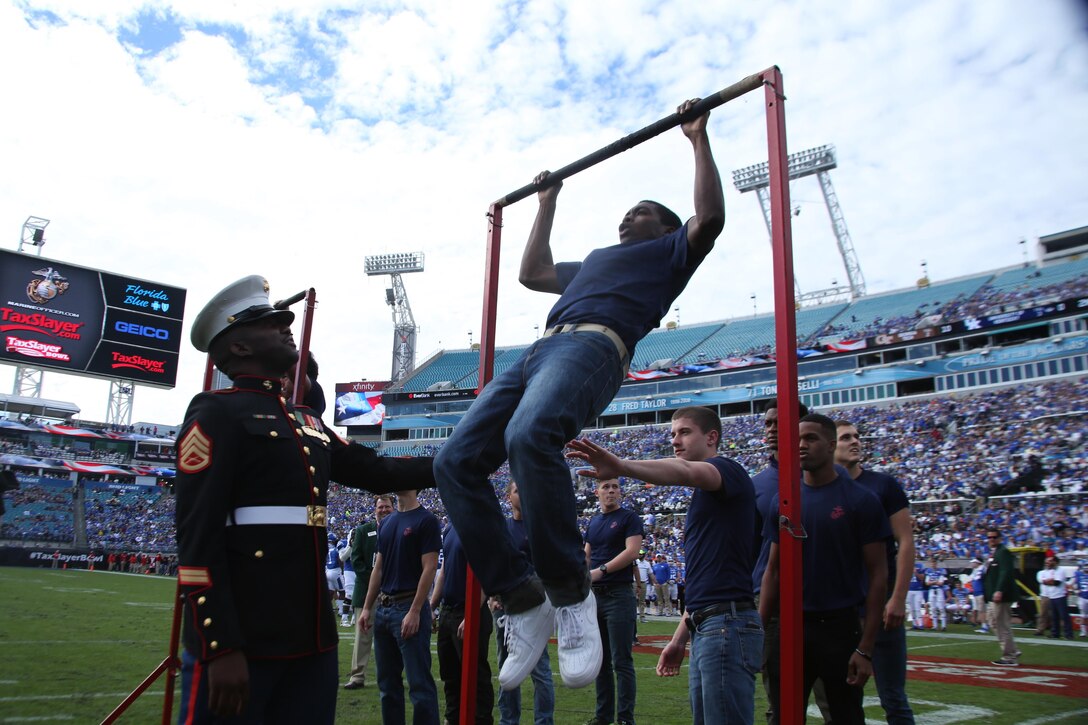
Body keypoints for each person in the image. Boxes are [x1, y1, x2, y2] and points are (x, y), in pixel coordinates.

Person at [434, 98, 725, 692]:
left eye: (639, 211)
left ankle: (571, 595)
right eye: (624, 212)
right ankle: (520, 598)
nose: (627, 217)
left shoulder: (669, 254)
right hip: (541, 349)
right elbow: (531, 273)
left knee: (528, 436)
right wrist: (547, 203)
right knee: (453, 462)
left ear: (664, 228)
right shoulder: (596, 259)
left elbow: (710, 219)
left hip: (593, 346)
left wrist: (697, 139)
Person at [174, 275, 434, 723]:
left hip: (311, 637)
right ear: (238, 348)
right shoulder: (216, 412)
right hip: (247, 636)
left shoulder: (306, 423)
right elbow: (197, 540)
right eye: (270, 322)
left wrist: (470, 455)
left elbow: (380, 472)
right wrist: (220, 647)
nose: (286, 324)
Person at [568, 405, 760, 725]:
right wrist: (679, 637)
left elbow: (684, 471)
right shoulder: (706, 497)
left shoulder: (728, 469)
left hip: (727, 623)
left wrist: (621, 465)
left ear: (712, 437)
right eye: (672, 434)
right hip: (706, 622)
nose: (675, 440)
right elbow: (705, 579)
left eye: (684, 432)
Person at [759, 413, 889, 725]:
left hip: (839, 628)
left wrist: (866, 648)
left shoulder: (861, 500)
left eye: (811, 438)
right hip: (788, 626)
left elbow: (878, 575)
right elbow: (772, 570)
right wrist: (760, 632)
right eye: (797, 439)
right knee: (783, 716)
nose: (801, 445)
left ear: (830, 445)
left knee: (845, 716)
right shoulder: (784, 501)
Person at [834, 419, 916, 724]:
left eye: (856, 436)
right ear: (831, 445)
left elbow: (906, 542)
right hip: (842, 607)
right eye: (846, 437)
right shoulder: (822, 489)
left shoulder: (883, 484)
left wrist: (898, 598)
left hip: (880, 604)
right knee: (842, 699)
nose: (855, 441)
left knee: (893, 696)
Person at [361, 488, 441, 724]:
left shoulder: (426, 520)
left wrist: (416, 610)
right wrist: (367, 607)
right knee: (387, 686)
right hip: (385, 608)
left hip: (408, 606)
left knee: (419, 685)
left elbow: (430, 567)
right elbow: (379, 568)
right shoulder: (386, 523)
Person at [751, 399, 807, 725]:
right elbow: (748, 550)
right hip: (769, 600)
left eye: (780, 422)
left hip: (825, 601)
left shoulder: (826, 478)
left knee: (838, 701)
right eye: (768, 423)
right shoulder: (755, 486)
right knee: (780, 703)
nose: (772, 429)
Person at [492, 481, 555, 725]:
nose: (523, 494)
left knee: (540, 669)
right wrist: (493, 596)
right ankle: (509, 720)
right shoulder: (503, 528)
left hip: (535, 606)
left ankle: (544, 721)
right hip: (505, 607)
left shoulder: (539, 527)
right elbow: (496, 566)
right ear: (509, 497)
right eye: (518, 490)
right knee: (507, 666)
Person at [583, 477, 643, 725]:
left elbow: (631, 552)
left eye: (615, 486)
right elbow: (586, 555)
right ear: (597, 492)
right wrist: (580, 575)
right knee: (601, 661)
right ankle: (603, 716)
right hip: (595, 596)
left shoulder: (630, 518)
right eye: (606, 486)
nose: (610, 490)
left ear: (620, 492)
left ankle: (625, 718)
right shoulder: (594, 522)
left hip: (618, 594)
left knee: (621, 660)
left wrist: (600, 571)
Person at [431, 522, 495, 725]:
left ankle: (481, 720)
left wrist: (471, 615)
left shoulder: (480, 526)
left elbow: (488, 574)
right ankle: (452, 718)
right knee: (449, 674)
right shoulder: (450, 528)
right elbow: (444, 571)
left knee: (476, 675)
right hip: (449, 612)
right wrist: (431, 606)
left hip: (468, 612)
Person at [345, 494, 395, 690]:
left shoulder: (398, 529)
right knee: (363, 635)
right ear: (375, 509)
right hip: (367, 592)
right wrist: (376, 583)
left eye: (387, 507)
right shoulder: (364, 530)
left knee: (392, 637)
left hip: (393, 593)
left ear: (394, 508)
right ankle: (357, 675)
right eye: (380, 507)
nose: (383, 510)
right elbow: (356, 561)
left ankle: (392, 675)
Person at [983, 527, 1020, 666]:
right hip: (994, 595)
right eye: (989, 537)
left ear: (999, 538)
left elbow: (1005, 572)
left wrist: (999, 590)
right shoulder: (996, 553)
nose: (991, 540)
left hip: (1001, 595)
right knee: (993, 622)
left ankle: (1009, 656)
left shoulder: (1003, 552)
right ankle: (1012, 650)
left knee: (1001, 625)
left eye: (994, 537)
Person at [1037, 556, 1074, 640]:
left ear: (1055, 562)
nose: (1048, 563)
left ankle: (1069, 634)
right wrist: (1049, 581)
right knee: (1054, 616)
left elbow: (1056, 582)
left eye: (1051, 561)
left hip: (1060, 595)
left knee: (1064, 616)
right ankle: (1055, 633)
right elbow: (1045, 581)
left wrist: (1048, 581)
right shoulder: (1051, 571)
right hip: (1052, 596)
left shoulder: (1060, 570)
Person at [922, 558, 949, 631]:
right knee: (933, 608)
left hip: (939, 590)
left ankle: (943, 626)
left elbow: (941, 582)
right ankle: (935, 626)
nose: (933, 564)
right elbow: (927, 583)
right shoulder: (928, 571)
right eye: (932, 563)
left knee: (941, 608)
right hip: (931, 590)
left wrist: (932, 582)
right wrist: (935, 582)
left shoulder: (941, 571)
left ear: (936, 563)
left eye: (934, 563)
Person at [968, 558, 989, 633]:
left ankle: (985, 626)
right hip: (976, 593)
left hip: (981, 592)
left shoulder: (982, 568)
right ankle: (984, 625)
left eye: (973, 563)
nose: (972, 564)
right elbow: (970, 579)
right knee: (980, 610)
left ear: (977, 563)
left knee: (982, 610)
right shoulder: (975, 570)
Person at [634, 551, 653, 624]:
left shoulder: (647, 563)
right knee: (632, 600)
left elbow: (650, 573)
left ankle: (642, 617)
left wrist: (655, 582)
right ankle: (632, 616)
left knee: (642, 601)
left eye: (641, 554)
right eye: (639, 554)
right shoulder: (635, 562)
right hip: (634, 582)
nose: (639, 555)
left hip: (643, 583)